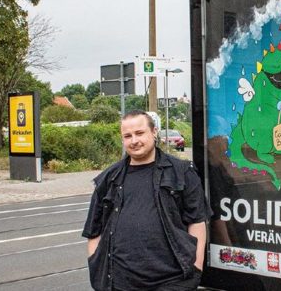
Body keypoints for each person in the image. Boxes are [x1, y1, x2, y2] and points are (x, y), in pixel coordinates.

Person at [82, 110, 211, 291]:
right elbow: (93, 230)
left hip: (172, 281)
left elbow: (197, 221)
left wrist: (195, 268)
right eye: (127, 136)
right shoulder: (109, 178)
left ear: (154, 132)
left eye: (139, 133)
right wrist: (96, 268)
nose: (134, 141)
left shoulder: (181, 172)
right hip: (120, 282)